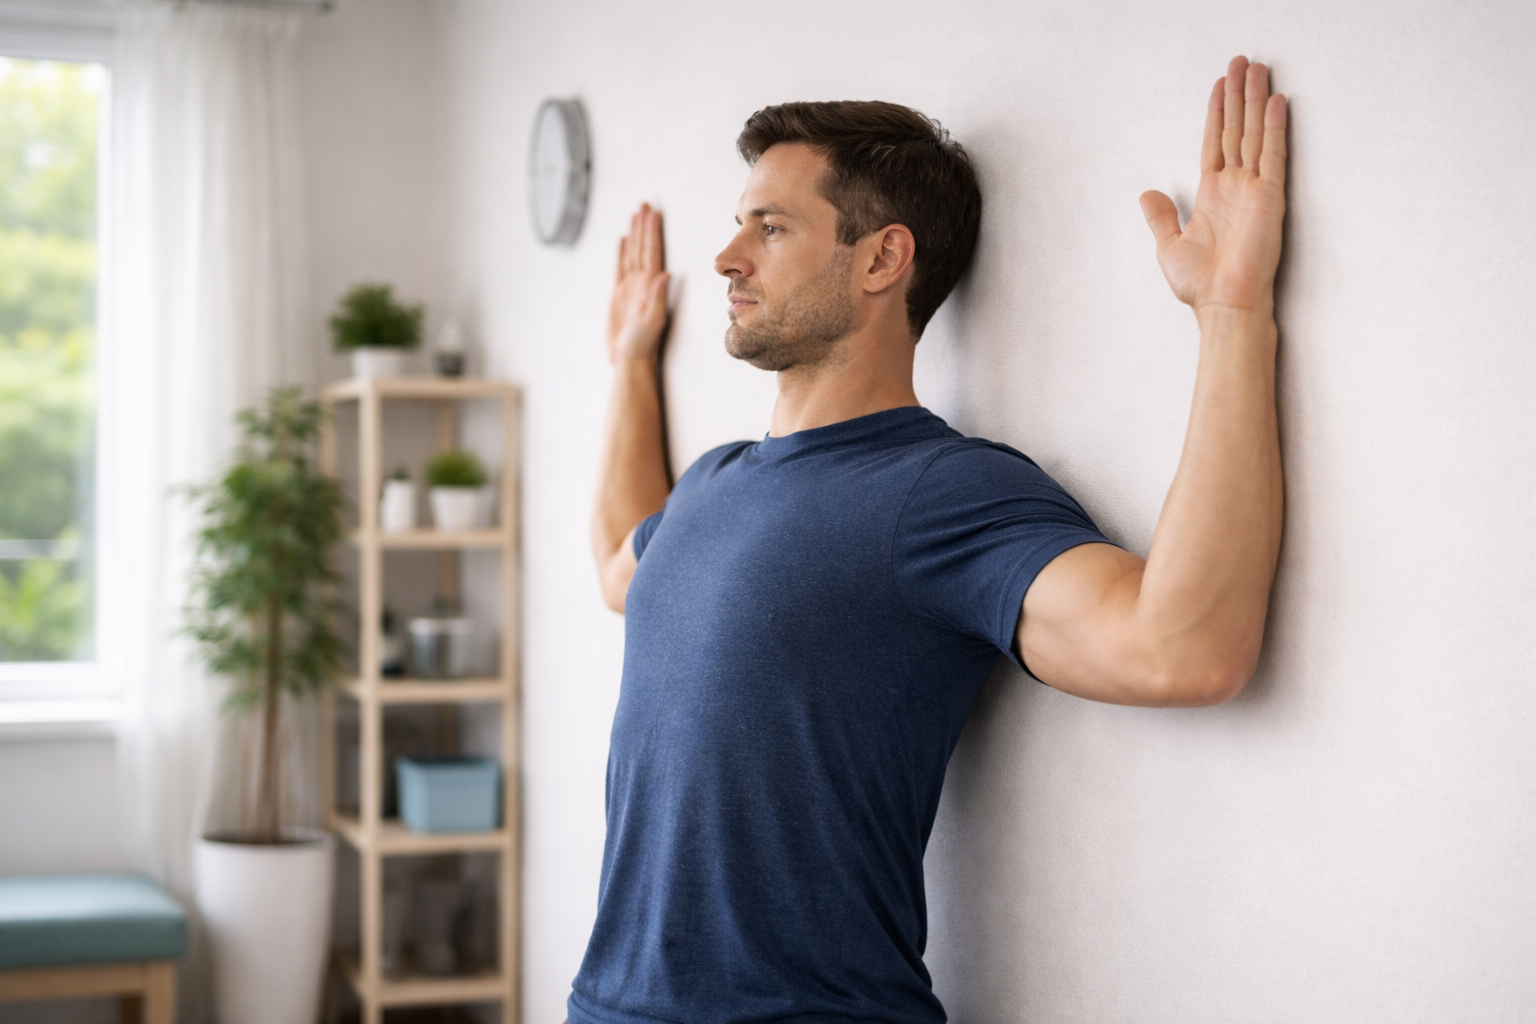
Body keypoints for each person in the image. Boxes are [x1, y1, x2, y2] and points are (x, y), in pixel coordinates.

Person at [574, 55, 1287, 1024]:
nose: (728, 256)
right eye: (741, 222)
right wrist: (628, 365)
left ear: (881, 259)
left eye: (770, 226)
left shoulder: (937, 493)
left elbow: (1184, 646)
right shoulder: (711, 484)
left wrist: (1233, 314)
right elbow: (623, 566)